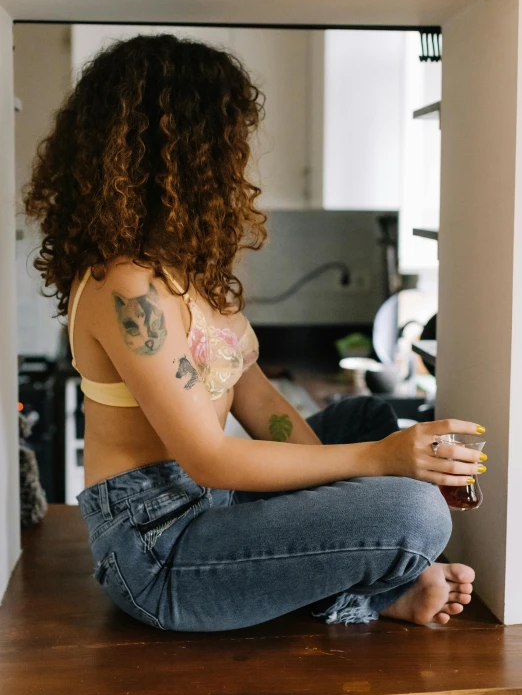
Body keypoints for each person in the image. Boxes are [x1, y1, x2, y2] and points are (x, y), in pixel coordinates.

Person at [25, 33, 482, 632]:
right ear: (183, 152)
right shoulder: (125, 287)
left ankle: (376, 574)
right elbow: (211, 459)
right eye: (229, 139)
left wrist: (360, 475)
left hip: (215, 505)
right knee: (416, 509)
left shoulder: (185, 270)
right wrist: (379, 465)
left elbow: (261, 402)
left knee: (363, 418)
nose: (239, 159)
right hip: (159, 552)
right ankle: (371, 591)